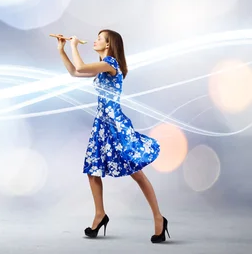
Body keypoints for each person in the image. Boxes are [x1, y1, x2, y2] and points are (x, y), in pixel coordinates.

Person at [54, 29, 169, 244]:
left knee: (137, 173)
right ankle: (100, 215)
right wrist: (62, 50)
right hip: (102, 126)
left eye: (99, 38)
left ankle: (158, 218)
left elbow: (80, 66)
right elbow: (74, 72)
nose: (95, 40)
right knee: (92, 170)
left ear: (108, 45)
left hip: (115, 125)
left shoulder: (111, 64)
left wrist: (74, 45)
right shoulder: (101, 69)